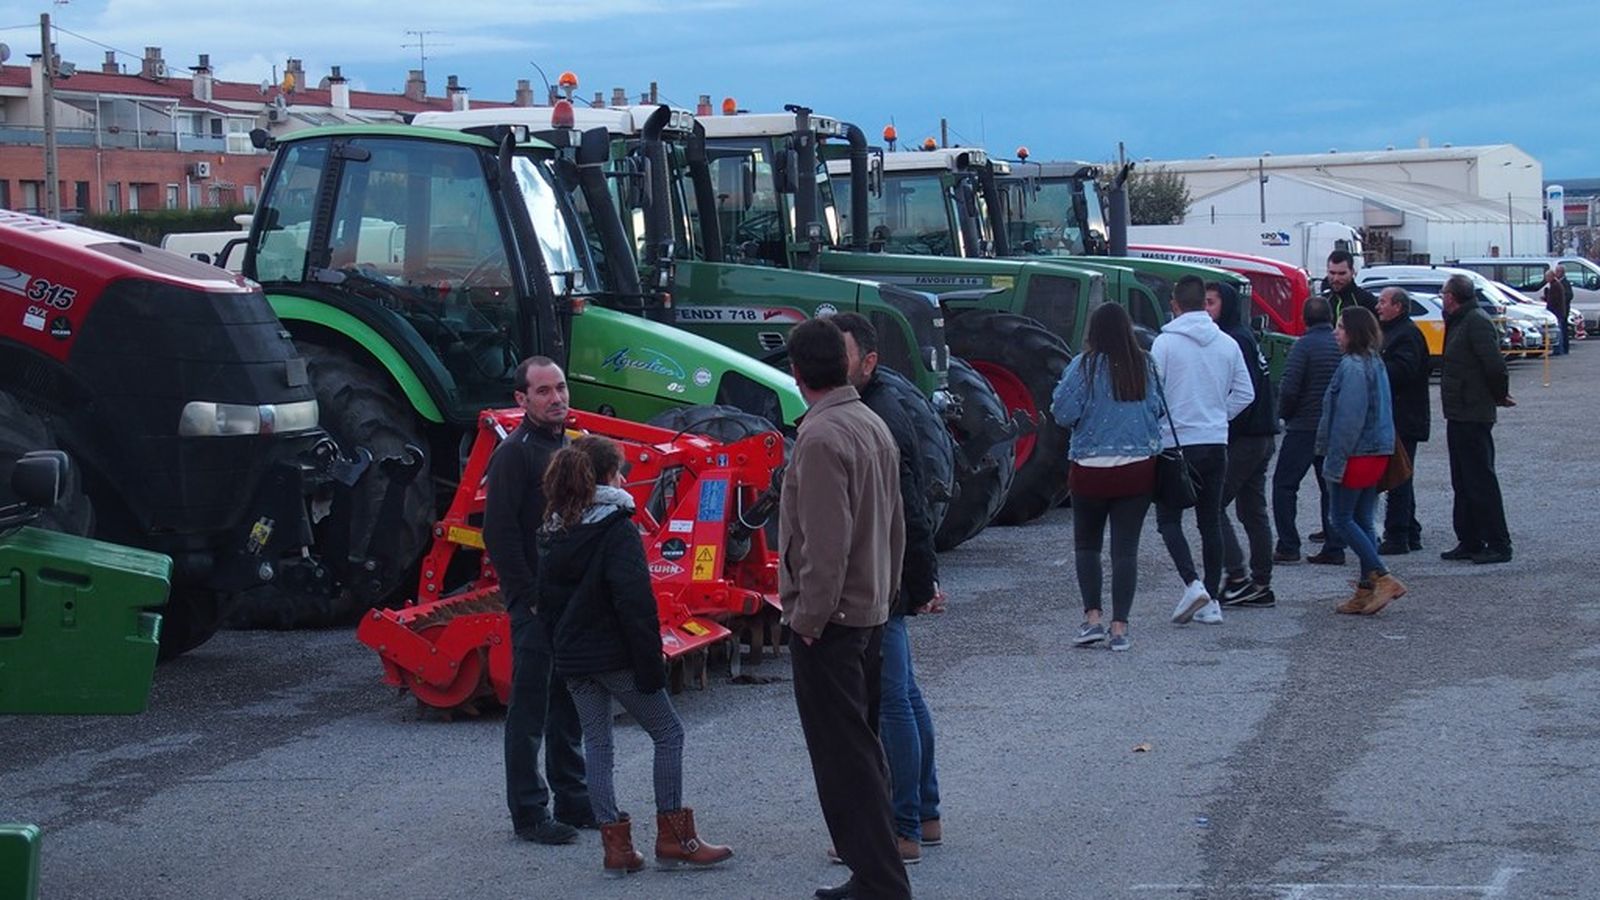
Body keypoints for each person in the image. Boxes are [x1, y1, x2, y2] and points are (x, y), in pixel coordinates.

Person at [538, 436, 733, 877]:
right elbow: (635, 602)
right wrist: (651, 664)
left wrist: (560, 653)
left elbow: (544, 601)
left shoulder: (552, 529)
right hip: (615, 654)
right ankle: (674, 836)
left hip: (574, 658)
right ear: (606, 476)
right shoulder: (616, 526)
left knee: (598, 743)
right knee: (668, 732)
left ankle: (617, 847)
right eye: (619, 471)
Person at [779, 318, 911, 900]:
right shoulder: (870, 423)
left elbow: (824, 543)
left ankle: (878, 880)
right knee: (861, 750)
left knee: (844, 760)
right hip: (870, 608)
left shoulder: (822, 436)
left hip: (831, 621)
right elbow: (894, 527)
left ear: (797, 372)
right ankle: (874, 874)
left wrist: (808, 619)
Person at [833, 313, 942, 865]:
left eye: (839, 353)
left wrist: (919, 581)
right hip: (893, 573)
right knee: (907, 696)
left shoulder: (876, 417)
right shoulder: (882, 407)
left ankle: (902, 828)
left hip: (883, 577)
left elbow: (912, 509)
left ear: (868, 362)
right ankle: (925, 812)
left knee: (893, 701)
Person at [480, 356, 591, 845]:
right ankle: (529, 812)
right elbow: (498, 533)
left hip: (570, 601)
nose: (556, 399)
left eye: (561, 388)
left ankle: (574, 798)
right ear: (522, 400)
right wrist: (526, 596)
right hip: (535, 604)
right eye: (543, 392)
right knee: (529, 711)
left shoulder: (569, 447)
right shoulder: (515, 455)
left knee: (569, 704)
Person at [1050, 302, 1164, 651]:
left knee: (1087, 546)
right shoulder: (1144, 363)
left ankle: (1092, 619)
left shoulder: (1083, 366)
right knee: (1125, 551)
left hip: (1090, 469)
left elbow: (1062, 412)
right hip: (1138, 469)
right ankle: (1120, 628)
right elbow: (1158, 409)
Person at [1150, 274, 1254, 626]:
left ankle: (1192, 583)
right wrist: (1217, 417)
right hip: (1215, 441)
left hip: (1175, 444)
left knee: (1168, 520)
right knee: (1209, 520)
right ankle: (1212, 599)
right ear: (1202, 303)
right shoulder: (1227, 343)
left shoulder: (1164, 345)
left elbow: (1154, 396)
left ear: (1175, 305)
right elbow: (1246, 393)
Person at [1317, 307, 1405, 614]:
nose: (1335, 332)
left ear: (1353, 332)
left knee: (1340, 518)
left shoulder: (1352, 367)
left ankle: (1381, 576)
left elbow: (1348, 420)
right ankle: (1367, 590)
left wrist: (1334, 460)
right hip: (1376, 450)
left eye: (1341, 327)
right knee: (1363, 519)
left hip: (1356, 453)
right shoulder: (1374, 361)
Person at [1206, 281, 1279, 608]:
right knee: (1252, 510)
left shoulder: (1234, 339)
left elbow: (1242, 395)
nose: (1205, 310)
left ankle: (1238, 576)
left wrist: (1219, 424)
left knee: (1212, 505)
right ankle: (1260, 583)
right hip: (1262, 436)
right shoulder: (1244, 335)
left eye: (1211, 303)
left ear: (1228, 305)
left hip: (1247, 438)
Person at [1438, 273, 1515, 564]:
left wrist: (1499, 395)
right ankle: (1469, 539)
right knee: (1462, 479)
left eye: (1444, 293)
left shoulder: (1476, 322)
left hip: (1473, 412)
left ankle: (1498, 542)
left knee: (1480, 479)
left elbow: (1494, 365)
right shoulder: (1459, 321)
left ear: (1452, 297)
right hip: (1459, 411)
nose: (1442, 297)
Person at [1272, 296, 1343, 565]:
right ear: (1330, 318)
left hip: (1303, 426)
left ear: (1305, 319)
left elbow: (1290, 388)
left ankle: (1288, 545)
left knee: (1284, 485)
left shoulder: (1302, 347)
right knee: (1330, 487)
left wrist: (1284, 415)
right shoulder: (1338, 346)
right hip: (1332, 427)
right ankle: (1334, 545)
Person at [1375, 287, 1431, 555]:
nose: (1378, 307)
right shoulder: (1394, 332)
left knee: (1398, 478)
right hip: (1399, 416)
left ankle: (1398, 535)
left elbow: (1404, 371)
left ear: (1398, 307)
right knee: (1401, 475)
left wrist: (1373, 367)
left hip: (1404, 417)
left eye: (1383, 302)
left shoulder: (1406, 334)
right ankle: (1410, 530)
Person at [1323, 249, 1378, 321]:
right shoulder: (1324, 300)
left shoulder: (1366, 300)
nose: (1336, 278)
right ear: (1327, 271)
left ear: (1352, 272)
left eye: (1342, 273)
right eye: (1332, 273)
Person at [1544, 265, 1572, 356]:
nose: (1546, 278)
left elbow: (1555, 299)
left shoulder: (1558, 284)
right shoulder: (1556, 284)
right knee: (1561, 330)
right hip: (1560, 310)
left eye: (1547, 277)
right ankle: (1561, 349)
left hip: (1558, 311)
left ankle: (1560, 349)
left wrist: (1547, 299)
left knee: (1560, 330)